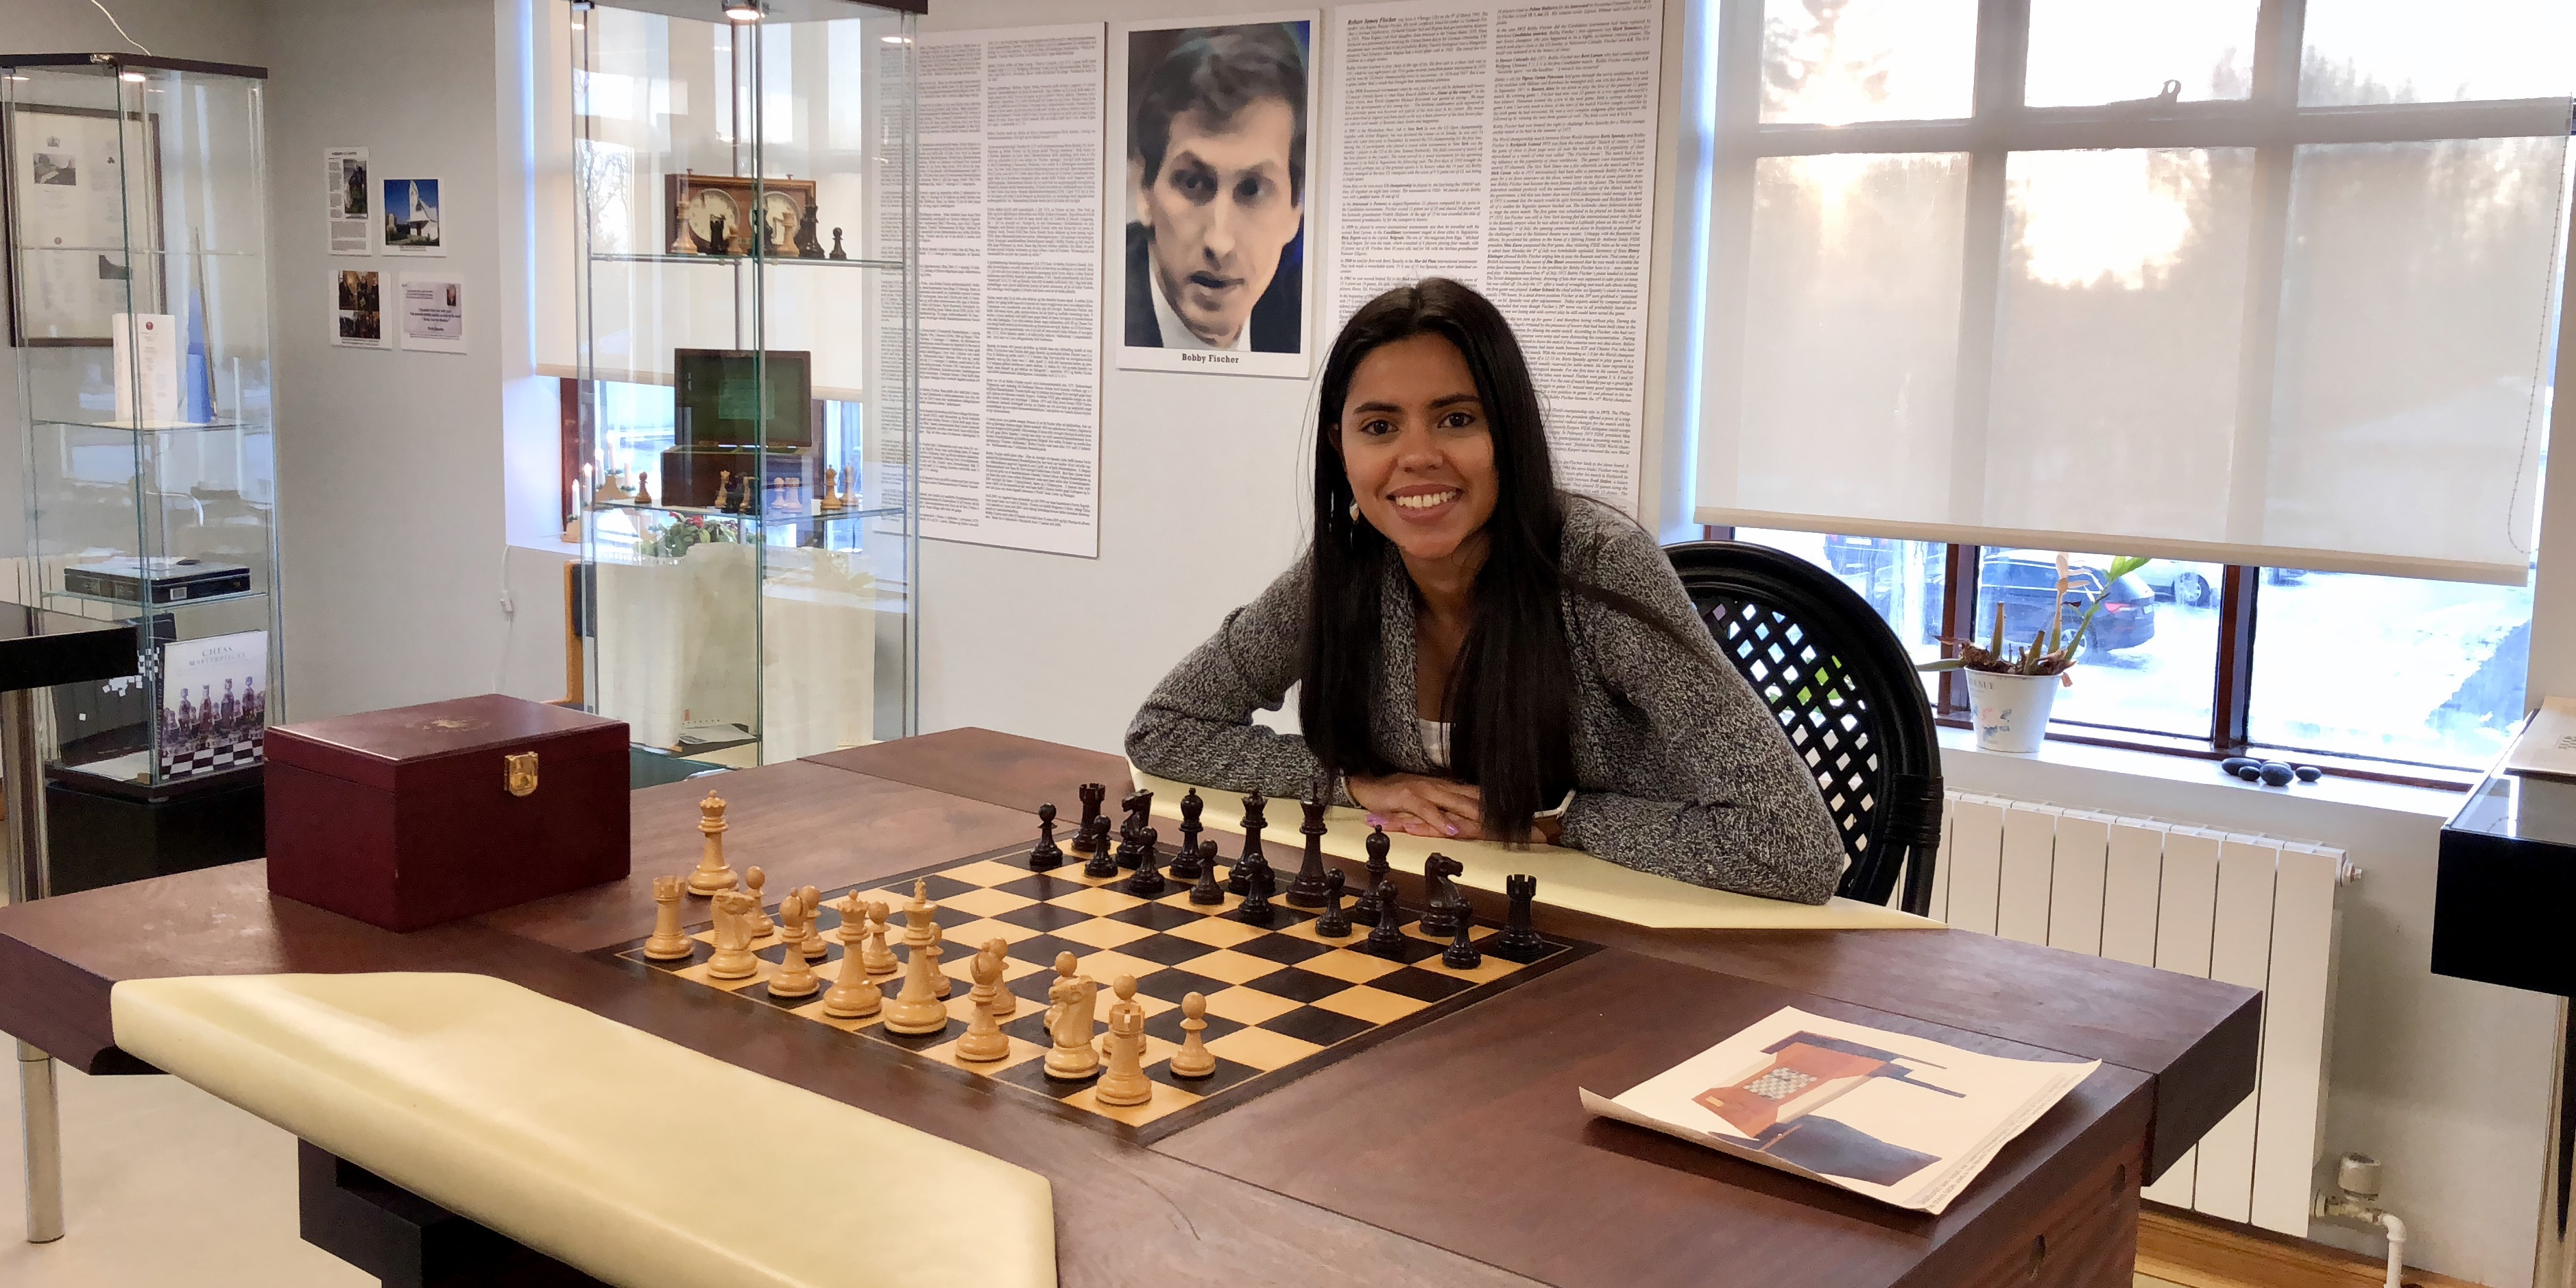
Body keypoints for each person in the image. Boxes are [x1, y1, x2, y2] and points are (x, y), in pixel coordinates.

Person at [1126, 279, 1846, 903]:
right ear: (1338, 449)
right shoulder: (1347, 562)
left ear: (1510, 433)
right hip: (1442, 913)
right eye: (1379, 426)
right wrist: (1355, 784)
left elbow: (1789, 846)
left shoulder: (1598, 566)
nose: (1417, 456)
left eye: (1456, 419)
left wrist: (1554, 819)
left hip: (1637, 939)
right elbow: (1164, 729)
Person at [1124, 27, 1305, 354]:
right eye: (1193, 183)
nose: (1219, 242)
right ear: (1145, 191)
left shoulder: (1306, 322)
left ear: (1295, 212)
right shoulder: (1098, 309)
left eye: (1252, 189)